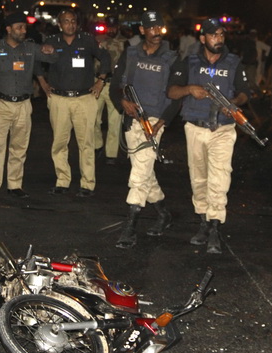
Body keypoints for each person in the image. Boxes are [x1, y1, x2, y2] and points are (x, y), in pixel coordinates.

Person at [168, 18, 249, 254]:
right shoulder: (189, 62)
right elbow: (172, 91)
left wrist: (233, 103)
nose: (219, 39)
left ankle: (215, 226)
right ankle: (203, 222)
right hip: (195, 127)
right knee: (199, 179)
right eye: (213, 35)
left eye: (222, 35)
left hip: (223, 129)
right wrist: (190, 89)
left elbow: (245, 93)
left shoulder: (233, 62)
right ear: (203, 38)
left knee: (219, 177)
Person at [109, 10, 179, 249]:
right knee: (144, 170)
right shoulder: (130, 54)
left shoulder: (171, 58)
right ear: (142, 30)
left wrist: (162, 123)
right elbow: (115, 87)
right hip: (133, 121)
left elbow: (176, 97)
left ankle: (129, 228)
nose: (156, 31)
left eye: (160, 27)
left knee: (138, 175)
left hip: (155, 122)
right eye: (151, 28)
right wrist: (123, 102)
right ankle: (164, 214)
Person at [0, 12, 57, 201]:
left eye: (24, 27)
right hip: (1, 103)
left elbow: (51, 60)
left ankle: (15, 185)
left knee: (19, 147)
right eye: (19, 27)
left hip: (24, 105)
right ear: (8, 29)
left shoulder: (30, 47)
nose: (23, 30)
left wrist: (51, 51)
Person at [38, 9, 110, 197]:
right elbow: (36, 61)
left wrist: (101, 81)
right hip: (59, 100)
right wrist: (42, 82)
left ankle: (87, 184)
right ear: (59, 24)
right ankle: (62, 181)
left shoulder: (87, 40)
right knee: (59, 143)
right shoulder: (52, 42)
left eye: (72, 21)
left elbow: (106, 57)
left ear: (77, 23)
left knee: (86, 143)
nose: (69, 24)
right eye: (65, 21)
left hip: (84, 99)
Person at [94, 16, 126, 165]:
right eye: (109, 27)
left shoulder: (125, 42)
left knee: (115, 121)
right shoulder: (97, 40)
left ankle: (111, 154)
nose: (112, 30)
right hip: (97, 83)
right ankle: (97, 145)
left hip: (114, 84)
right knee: (93, 118)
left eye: (114, 27)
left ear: (118, 27)